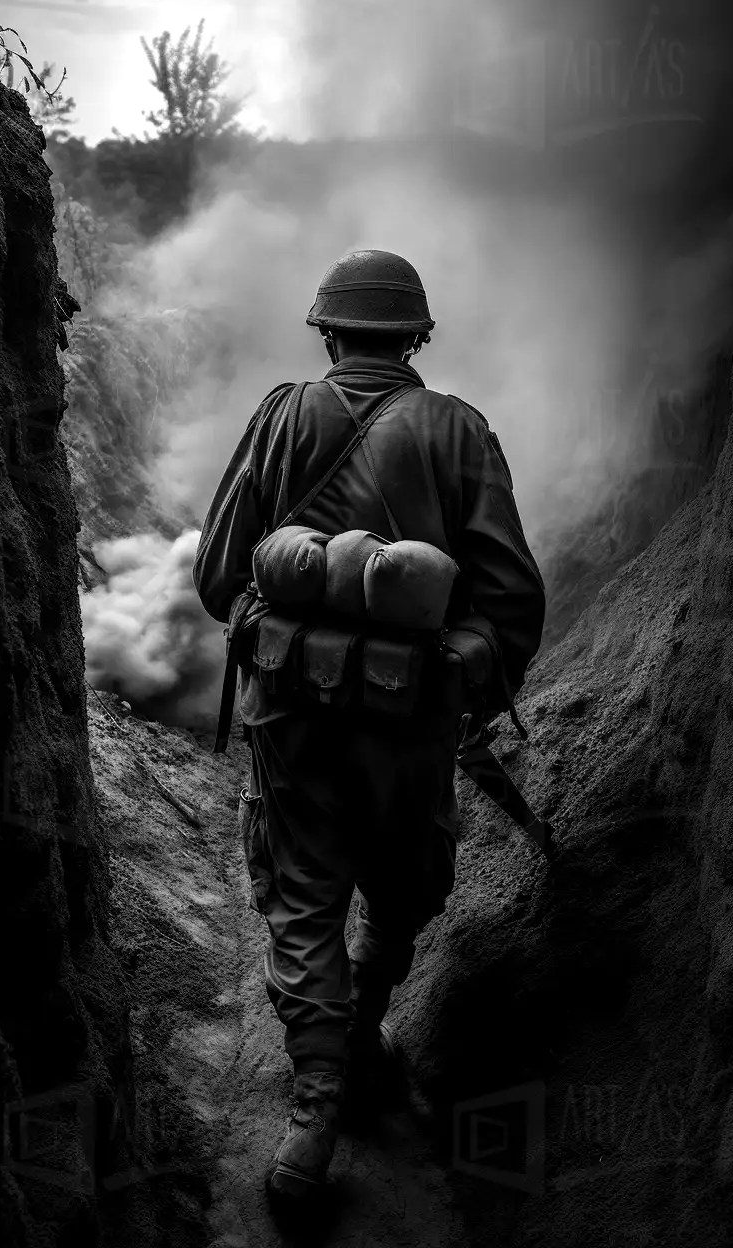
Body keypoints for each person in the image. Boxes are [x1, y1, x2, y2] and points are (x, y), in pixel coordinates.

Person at [193, 249, 545, 1202]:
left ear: (326, 329)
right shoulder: (458, 431)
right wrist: (457, 670)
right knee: (400, 890)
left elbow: (221, 573)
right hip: (410, 724)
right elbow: (512, 601)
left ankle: (311, 1118)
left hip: (293, 719)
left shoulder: (280, 415)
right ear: (417, 336)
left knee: (302, 897)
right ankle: (360, 1033)